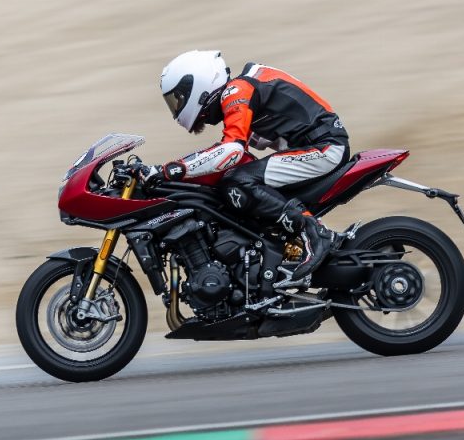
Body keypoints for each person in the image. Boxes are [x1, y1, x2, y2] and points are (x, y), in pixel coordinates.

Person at [143, 50, 348, 282]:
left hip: (324, 148)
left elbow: (231, 151)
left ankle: (316, 233)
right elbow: (234, 158)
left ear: (198, 84)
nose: (177, 107)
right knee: (235, 180)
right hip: (315, 148)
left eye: (178, 98)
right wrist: (177, 170)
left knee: (238, 182)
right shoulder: (242, 91)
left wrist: (172, 170)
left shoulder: (237, 90)